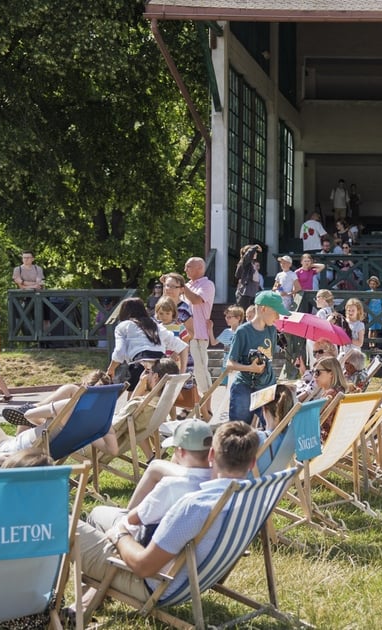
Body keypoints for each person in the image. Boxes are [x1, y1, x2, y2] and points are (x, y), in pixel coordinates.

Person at [74, 421, 260, 610]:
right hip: (193, 580)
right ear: (252, 462)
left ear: (212, 455)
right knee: (99, 514)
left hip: (157, 586)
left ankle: (80, 606)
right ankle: (89, 599)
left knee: (68, 526)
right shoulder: (253, 498)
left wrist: (120, 534)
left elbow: (144, 567)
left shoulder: (195, 507)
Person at [226, 291, 289, 425]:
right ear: (263, 309)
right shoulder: (242, 332)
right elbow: (230, 363)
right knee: (239, 430)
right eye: (275, 312)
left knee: (273, 427)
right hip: (244, 386)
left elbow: (268, 359)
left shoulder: (271, 330)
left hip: (267, 386)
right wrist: (250, 368)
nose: (278, 317)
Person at [180, 256, 215, 393]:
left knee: (200, 370)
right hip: (183, 334)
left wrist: (182, 286)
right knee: (184, 370)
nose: (185, 270)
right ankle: (190, 404)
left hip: (198, 335)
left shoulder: (207, 285)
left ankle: (207, 406)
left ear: (200, 268)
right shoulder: (187, 286)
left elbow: (195, 300)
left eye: (188, 266)